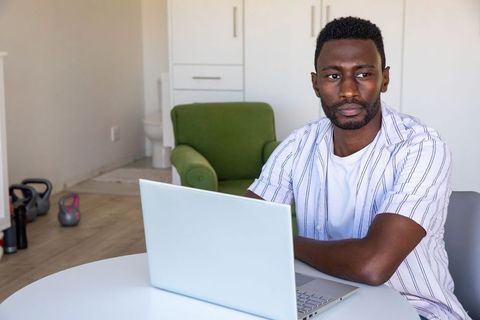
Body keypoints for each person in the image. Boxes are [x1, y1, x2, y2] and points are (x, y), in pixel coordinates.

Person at [245, 17, 469, 320]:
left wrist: (281, 240)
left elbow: (372, 265)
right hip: (323, 304)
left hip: (417, 310)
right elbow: (244, 224)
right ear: (315, 84)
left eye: (363, 74)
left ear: (384, 79)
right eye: (333, 76)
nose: (349, 90)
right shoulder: (299, 144)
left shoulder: (422, 148)